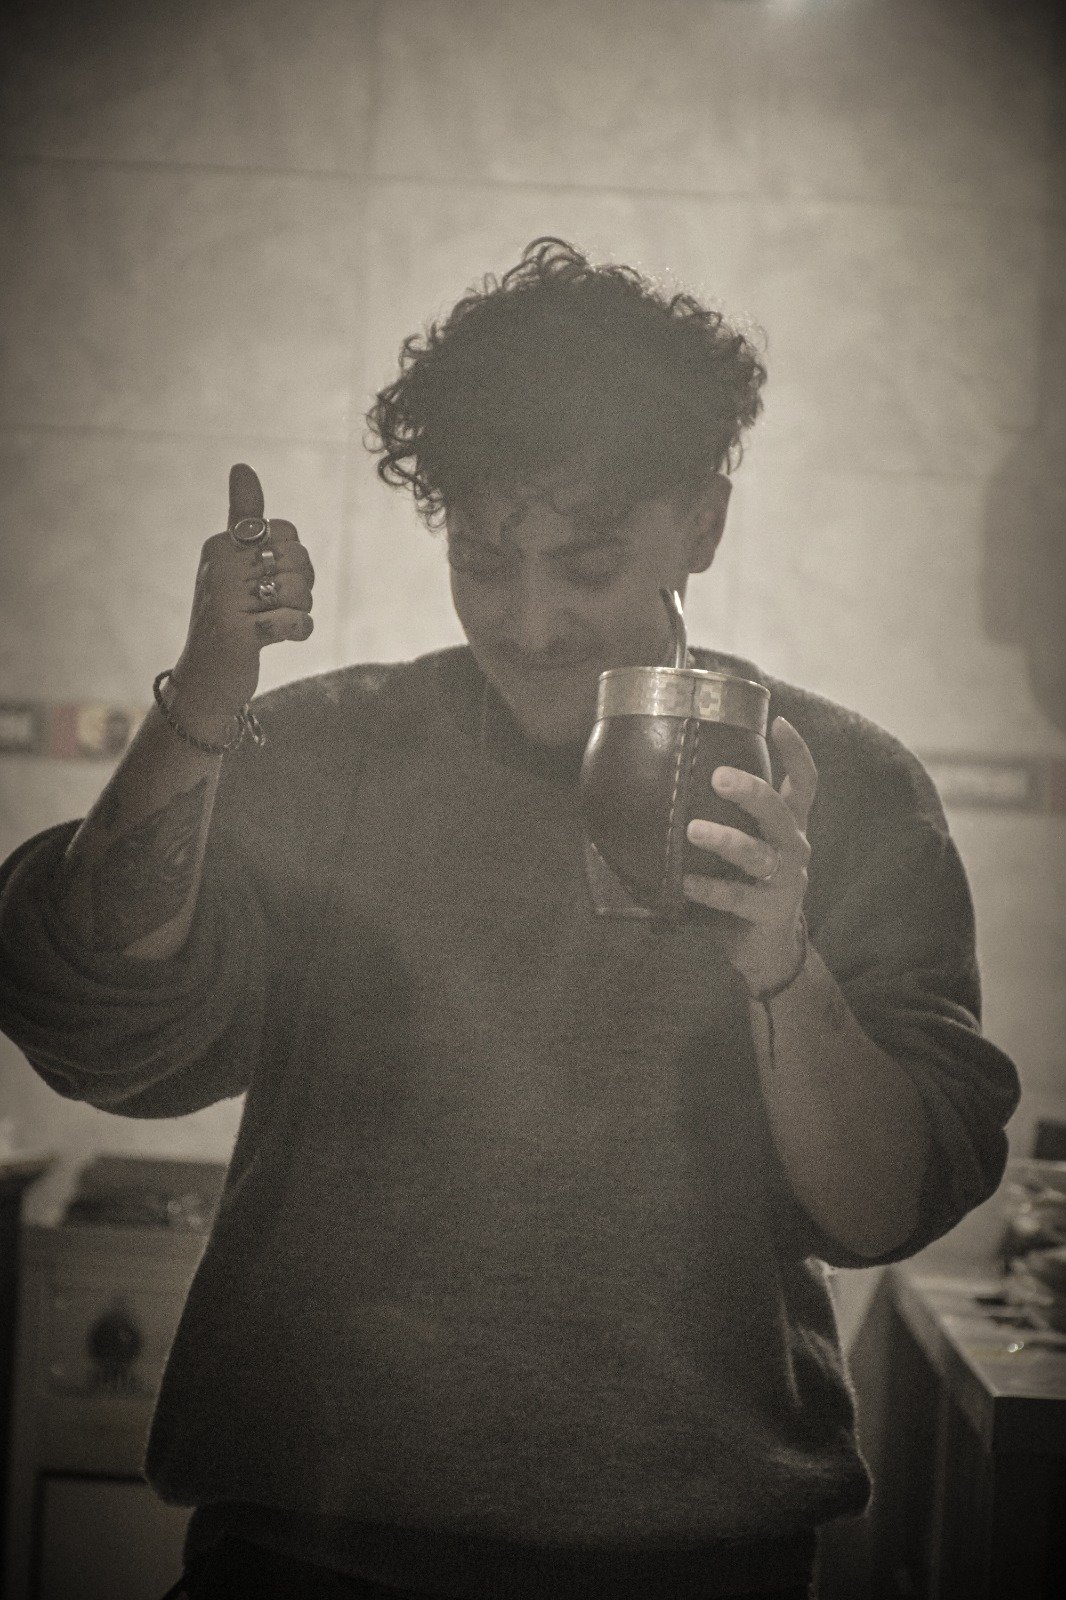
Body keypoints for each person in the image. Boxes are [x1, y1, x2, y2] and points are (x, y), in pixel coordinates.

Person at [0, 238, 1019, 1600]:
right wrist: (206, 696)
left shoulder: (843, 789)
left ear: (702, 522)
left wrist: (785, 968)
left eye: (586, 562)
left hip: (691, 1564)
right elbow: (89, 1018)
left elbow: (889, 1205)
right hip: (299, 1554)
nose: (530, 621)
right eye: (483, 560)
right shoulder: (325, 751)